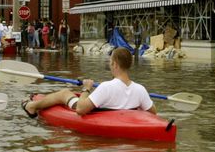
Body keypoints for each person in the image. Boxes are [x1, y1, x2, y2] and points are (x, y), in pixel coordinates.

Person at [22, 46, 156, 118]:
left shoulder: (106, 87)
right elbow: (152, 113)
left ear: (115, 64)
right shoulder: (140, 89)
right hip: (121, 115)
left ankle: (31, 106)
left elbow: (80, 110)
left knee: (64, 93)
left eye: (110, 63)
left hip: (99, 114)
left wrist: (86, 88)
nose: (110, 66)